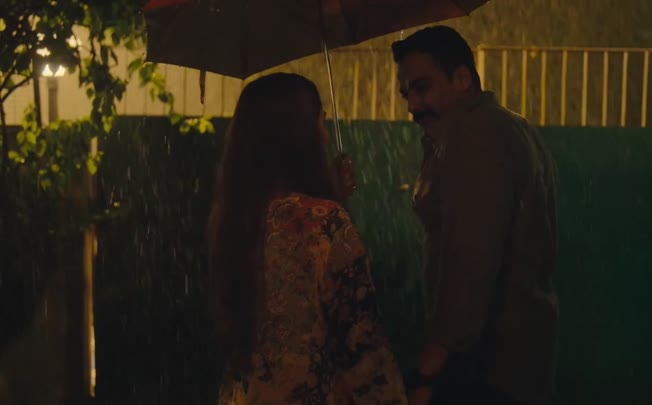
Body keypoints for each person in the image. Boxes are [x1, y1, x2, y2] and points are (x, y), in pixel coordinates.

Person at [207, 72, 407, 404]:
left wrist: (332, 198)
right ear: (298, 136)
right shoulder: (325, 222)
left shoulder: (236, 219)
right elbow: (361, 339)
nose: (325, 136)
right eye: (320, 122)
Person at [391, 26, 559, 405]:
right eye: (406, 93)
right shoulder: (510, 128)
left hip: (482, 372)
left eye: (423, 88)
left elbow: (468, 267)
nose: (412, 105)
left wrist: (428, 374)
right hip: (518, 367)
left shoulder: (474, 138)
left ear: (462, 79)